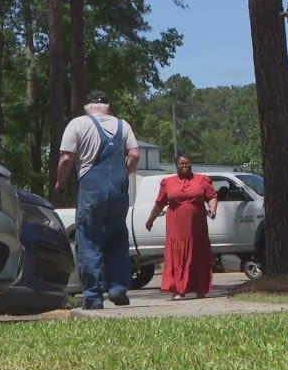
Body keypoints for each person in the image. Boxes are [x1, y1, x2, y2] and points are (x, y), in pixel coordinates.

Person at [55, 90, 140, 309]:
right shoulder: (123, 125)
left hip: (91, 189)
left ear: (88, 107)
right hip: (118, 189)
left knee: (89, 239)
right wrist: (124, 172)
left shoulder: (78, 124)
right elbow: (135, 154)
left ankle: (93, 297)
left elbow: (66, 158)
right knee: (117, 236)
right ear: (107, 107)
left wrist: (60, 182)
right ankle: (118, 288)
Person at [145, 154, 218, 300]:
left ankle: (200, 289)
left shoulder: (202, 180)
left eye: (187, 163)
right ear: (176, 166)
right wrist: (150, 220)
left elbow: (212, 196)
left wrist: (212, 208)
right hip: (176, 228)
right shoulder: (168, 182)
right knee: (177, 256)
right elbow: (159, 203)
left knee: (198, 255)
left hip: (197, 228)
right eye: (182, 164)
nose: (185, 166)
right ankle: (178, 290)